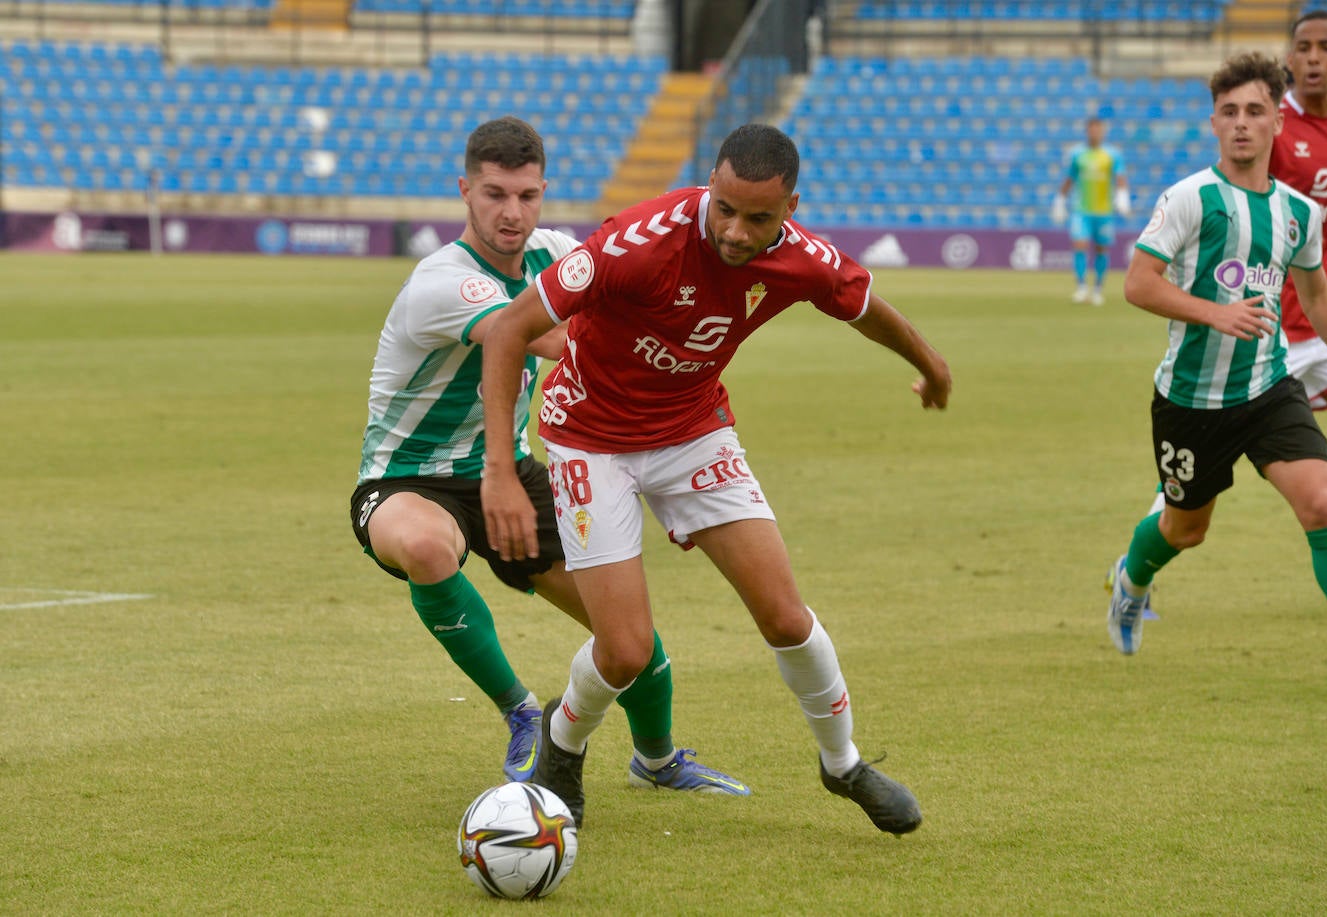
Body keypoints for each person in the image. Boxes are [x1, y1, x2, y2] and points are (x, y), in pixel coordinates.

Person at [480, 123, 951, 833]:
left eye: (757, 217)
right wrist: (498, 471)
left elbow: (864, 306)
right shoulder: (635, 243)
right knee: (626, 648)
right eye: (724, 207)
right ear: (712, 181)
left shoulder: (802, 258)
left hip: (694, 430)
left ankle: (843, 764)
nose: (734, 231)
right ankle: (564, 744)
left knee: (786, 616)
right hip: (589, 438)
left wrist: (931, 363)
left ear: (790, 207)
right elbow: (509, 329)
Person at [350, 116, 749, 796]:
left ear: (543, 194)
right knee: (424, 545)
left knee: (626, 634)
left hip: (515, 469)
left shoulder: (559, 253)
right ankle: (522, 712)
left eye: (527, 196)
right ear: (465, 191)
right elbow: (553, 339)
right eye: (495, 194)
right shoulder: (441, 282)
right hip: (406, 478)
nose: (512, 213)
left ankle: (656, 759)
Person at [1105, 51, 1327, 694]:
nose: (1242, 124)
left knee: (1320, 501)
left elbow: (1316, 298)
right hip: (1191, 401)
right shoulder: (1190, 198)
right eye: (1229, 113)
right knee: (1186, 529)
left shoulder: (1298, 213)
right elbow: (1138, 284)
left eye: (1255, 111)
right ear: (1214, 123)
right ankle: (1131, 581)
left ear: (1277, 121)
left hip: (1269, 385)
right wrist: (1212, 313)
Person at [1052, 116, 1131, 306]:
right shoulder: (1077, 154)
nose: (1095, 133)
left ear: (1102, 131)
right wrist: (1060, 200)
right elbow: (1070, 177)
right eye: (1092, 129)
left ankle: (1097, 289)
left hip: (1104, 211)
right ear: (1087, 131)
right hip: (1082, 210)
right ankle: (1081, 287)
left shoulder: (1112, 154)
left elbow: (1120, 177)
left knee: (1101, 249)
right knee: (1080, 245)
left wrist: (1122, 196)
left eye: (1098, 129)